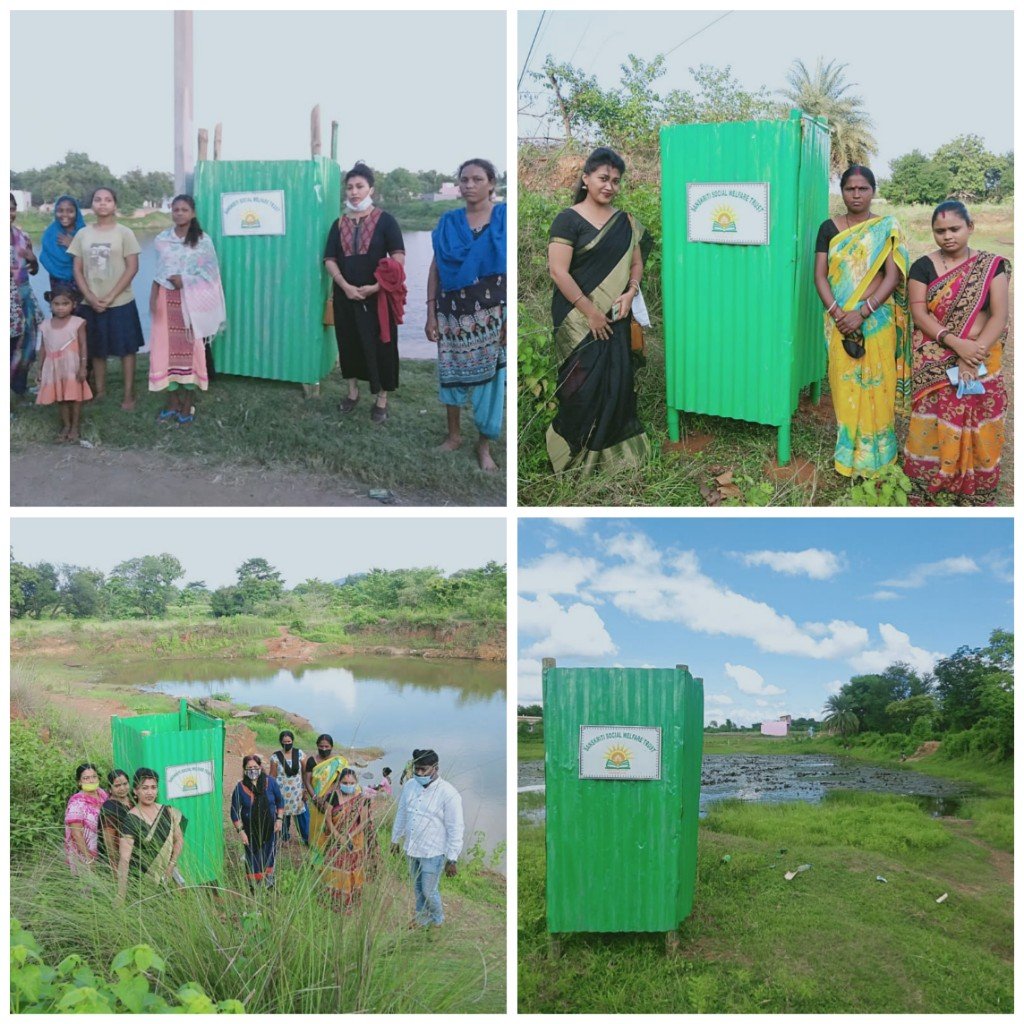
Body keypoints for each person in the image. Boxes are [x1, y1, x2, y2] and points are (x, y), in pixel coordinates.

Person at [545, 147, 651, 475]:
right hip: (576, 320)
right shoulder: (568, 218)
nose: (610, 186)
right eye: (604, 178)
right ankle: (573, 456)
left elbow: (636, 264)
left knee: (617, 379)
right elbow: (558, 272)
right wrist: (590, 312)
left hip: (616, 315)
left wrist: (631, 292)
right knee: (578, 386)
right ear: (586, 178)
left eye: (616, 181)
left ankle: (616, 458)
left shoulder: (626, 223)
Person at [903, 201, 1011, 505]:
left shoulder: (993, 265)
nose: (947, 236)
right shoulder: (922, 267)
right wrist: (956, 344)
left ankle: (975, 484)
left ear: (970, 227)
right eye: (940, 231)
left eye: (954, 229)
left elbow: (999, 315)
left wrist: (972, 354)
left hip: (982, 351)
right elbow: (921, 316)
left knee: (982, 417)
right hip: (936, 349)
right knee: (931, 418)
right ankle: (929, 479)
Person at [814, 165, 911, 477]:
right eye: (849, 189)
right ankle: (848, 456)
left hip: (876, 320)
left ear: (873, 191)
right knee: (844, 387)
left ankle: (880, 457)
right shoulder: (828, 228)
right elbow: (819, 276)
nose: (856, 194)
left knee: (878, 385)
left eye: (862, 188)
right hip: (839, 322)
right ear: (841, 191)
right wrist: (838, 314)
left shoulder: (885, 228)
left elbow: (893, 276)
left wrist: (863, 312)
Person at [426, 158, 507, 471]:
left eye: (477, 179)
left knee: (490, 379)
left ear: (491, 184)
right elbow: (436, 268)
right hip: (451, 314)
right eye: (464, 180)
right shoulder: (448, 223)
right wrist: (431, 313)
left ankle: (484, 445)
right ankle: (454, 436)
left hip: (491, 314)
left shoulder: (502, 219)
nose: (469, 185)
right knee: (451, 375)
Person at [323, 163, 406, 423]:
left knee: (381, 345)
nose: (354, 192)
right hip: (345, 296)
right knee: (348, 343)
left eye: (359, 186)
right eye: (349, 187)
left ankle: (381, 398)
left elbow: (398, 257)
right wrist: (345, 286)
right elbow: (329, 259)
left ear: (371, 188)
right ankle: (352, 392)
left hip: (377, 297)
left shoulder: (386, 220)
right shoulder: (338, 223)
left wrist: (377, 286)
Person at [148, 194, 225, 423]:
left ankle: (188, 401)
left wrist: (186, 281)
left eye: (183, 209)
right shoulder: (162, 239)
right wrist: (153, 298)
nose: (179, 213)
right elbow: (159, 271)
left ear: (192, 213)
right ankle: (172, 399)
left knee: (192, 350)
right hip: (166, 299)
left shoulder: (203, 241)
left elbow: (211, 275)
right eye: (175, 209)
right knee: (165, 350)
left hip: (193, 303)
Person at [68, 186, 144, 409]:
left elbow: (132, 268)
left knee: (126, 349)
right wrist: (90, 297)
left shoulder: (124, 233)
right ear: (92, 204)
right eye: (98, 199)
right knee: (97, 349)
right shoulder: (82, 234)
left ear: (115, 205)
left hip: (121, 301)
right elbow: (77, 269)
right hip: (90, 303)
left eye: (108, 200)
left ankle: (129, 395)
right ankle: (100, 392)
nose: (102, 203)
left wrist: (110, 296)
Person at [390, 748, 464, 928]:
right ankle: (422, 918)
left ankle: (438, 920)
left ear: (435, 768)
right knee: (417, 889)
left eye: (424, 769)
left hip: (433, 851)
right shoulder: (409, 786)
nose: (419, 773)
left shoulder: (448, 793)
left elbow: (456, 827)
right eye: (417, 769)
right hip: (412, 848)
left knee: (429, 890)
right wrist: (395, 839)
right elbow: (402, 814)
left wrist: (452, 858)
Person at [116, 767, 185, 900]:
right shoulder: (130, 819)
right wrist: (120, 894)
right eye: (145, 788)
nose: (150, 792)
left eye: (153, 787)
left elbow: (179, 840)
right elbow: (124, 859)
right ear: (136, 791)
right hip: (142, 882)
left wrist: (171, 866)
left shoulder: (168, 811)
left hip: (167, 878)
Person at [35, 288, 92, 441]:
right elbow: (43, 347)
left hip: (71, 366)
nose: (60, 307)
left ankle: (75, 426)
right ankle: (66, 425)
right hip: (53, 366)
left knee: (75, 396)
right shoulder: (45, 325)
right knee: (61, 397)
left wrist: (83, 367)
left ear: (73, 305)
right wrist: (40, 369)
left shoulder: (77, 323)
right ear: (50, 305)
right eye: (56, 304)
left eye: (65, 304)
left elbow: (83, 345)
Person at [323, 767, 374, 911]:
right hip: (335, 840)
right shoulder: (331, 797)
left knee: (353, 869)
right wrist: (339, 837)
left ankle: (351, 900)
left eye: (351, 783)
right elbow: (328, 821)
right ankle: (334, 900)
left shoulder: (361, 799)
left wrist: (349, 836)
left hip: (354, 842)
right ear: (339, 782)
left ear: (356, 783)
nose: (348, 785)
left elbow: (363, 822)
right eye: (345, 782)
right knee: (336, 868)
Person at [230, 755, 284, 889]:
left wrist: (279, 819)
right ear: (244, 770)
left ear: (260, 767)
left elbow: (280, 801)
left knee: (269, 854)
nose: (252, 770)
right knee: (253, 857)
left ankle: (269, 883)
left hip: (270, 828)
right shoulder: (240, 787)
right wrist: (241, 831)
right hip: (250, 831)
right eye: (249, 768)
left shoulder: (270, 782)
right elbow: (234, 811)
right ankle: (254, 886)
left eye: (255, 767)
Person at [10, 193, 42, 396]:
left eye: (12, 208)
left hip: (24, 298)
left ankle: (19, 388)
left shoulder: (23, 236)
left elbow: (34, 269)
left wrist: (33, 259)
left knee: (27, 347)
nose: (9, 213)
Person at [303, 734, 348, 860]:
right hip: (316, 801)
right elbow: (307, 781)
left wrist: (328, 797)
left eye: (326, 746)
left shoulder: (338, 762)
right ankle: (316, 860)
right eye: (321, 746)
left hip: (334, 801)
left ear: (332, 747)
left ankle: (332, 859)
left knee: (332, 828)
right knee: (317, 829)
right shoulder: (312, 761)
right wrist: (315, 798)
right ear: (317, 746)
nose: (323, 749)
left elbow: (342, 781)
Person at [64, 763, 108, 874]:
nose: (91, 781)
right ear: (79, 782)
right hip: (85, 853)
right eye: (86, 778)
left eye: (94, 776)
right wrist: (89, 858)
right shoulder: (77, 803)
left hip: (104, 849)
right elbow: (76, 834)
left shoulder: (103, 794)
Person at [40, 195, 86, 297]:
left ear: (77, 213)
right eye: (60, 211)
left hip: (83, 285)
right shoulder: (50, 234)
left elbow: (92, 261)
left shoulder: (84, 233)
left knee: (81, 312)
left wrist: (73, 246)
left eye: (70, 211)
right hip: (57, 284)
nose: (64, 215)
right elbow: (44, 257)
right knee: (61, 310)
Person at [269, 730, 309, 845]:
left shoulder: (300, 754)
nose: (287, 744)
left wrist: (305, 790)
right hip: (281, 792)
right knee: (283, 815)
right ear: (281, 742)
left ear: (293, 741)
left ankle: (306, 837)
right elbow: (272, 776)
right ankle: (284, 837)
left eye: (289, 741)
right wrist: (271, 793)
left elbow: (306, 773)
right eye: (284, 742)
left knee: (302, 816)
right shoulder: (275, 757)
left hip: (297, 793)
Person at [99, 769, 134, 872]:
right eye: (117, 786)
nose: (122, 788)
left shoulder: (133, 800)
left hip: (136, 855)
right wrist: (115, 866)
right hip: (122, 857)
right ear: (110, 789)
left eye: (125, 784)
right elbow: (109, 841)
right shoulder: (110, 807)